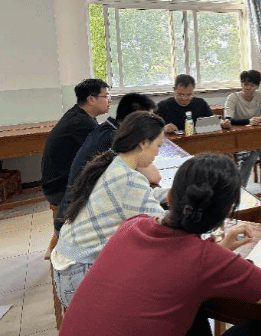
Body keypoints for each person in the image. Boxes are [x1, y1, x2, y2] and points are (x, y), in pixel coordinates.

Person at [58, 153, 261, 336]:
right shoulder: (205, 257)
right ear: (225, 215)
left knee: (193, 314)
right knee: (253, 330)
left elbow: (169, 269)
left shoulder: (132, 226)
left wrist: (221, 249)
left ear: (170, 197)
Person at [51, 111, 167, 306]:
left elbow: (140, 197)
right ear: (143, 143)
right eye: (158, 146)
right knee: (158, 289)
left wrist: (174, 194)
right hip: (80, 277)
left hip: (69, 270)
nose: (157, 153)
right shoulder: (130, 179)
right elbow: (164, 227)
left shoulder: (114, 163)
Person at [54, 93, 157, 234]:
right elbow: (154, 177)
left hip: (71, 212)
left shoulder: (107, 128)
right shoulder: (116, 139)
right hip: (77, 221)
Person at [41, 78, 110, 207]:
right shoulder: (82, 122)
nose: (109, 100)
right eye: (105, 96)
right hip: (61, 190)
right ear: (91, 99)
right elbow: (107, 153)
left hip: (58, 185)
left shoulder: (77, 114)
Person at [224, 70, 261, 189]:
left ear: (257, 86)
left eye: (252, 85)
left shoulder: (260, 95)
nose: (248, 88)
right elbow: (228, 120)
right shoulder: (233, 98)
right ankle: (240, 187)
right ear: (241, 84)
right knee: (250, 156)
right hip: (238, 140)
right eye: (245, 84)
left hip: (257, 138)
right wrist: (249, 121)